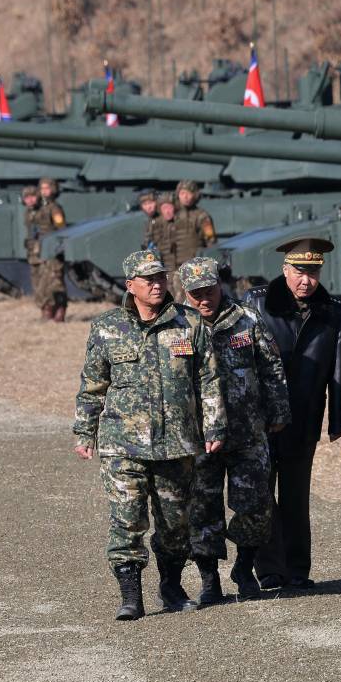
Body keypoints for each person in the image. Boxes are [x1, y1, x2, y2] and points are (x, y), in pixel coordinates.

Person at [72, 250, 226, 620]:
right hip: (122, 445)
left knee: (175, 524)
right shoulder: (107, 327)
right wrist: (84, 431)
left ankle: (171, 586)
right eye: (149, 279)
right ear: (131, 285)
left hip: (176, 443)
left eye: (160, 277)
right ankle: (130, 596)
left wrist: (214, 425)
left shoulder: (189, 322)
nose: (157, 284)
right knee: (127, 520)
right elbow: (93, 384)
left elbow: (208, 379)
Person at [179, 257, 291, 605]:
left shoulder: (247, 318)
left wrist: (278, 409)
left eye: (209, 290)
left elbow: (271, 367)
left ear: (220, 285)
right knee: (202, 508)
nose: (204, 299)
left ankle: (244, 568)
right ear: (185, 291)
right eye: (196, 293)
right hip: (199, 436)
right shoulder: (178, 325)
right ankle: (209, 579)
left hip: (247, 431)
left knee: (255, 503)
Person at [244, 237, 341, 590]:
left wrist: (338, 421)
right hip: (260, 419)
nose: (306, 280)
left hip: (304, 417)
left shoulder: (332, 311)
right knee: (262, 494)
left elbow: (340, 370)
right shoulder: (257, 303)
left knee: (296, 495)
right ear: (285, 269)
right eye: (300, 272)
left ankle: (297, 569)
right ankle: (269, 569)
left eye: (313, 273)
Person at [27, 178, 69, 322]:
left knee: (55, 281)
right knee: (40, 282)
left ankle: (59, 310)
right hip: (38, 249)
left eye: (47, 188)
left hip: (51, 249)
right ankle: (46, 309)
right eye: (42, 188)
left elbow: (61, 226)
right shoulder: (35, 209)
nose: (44, 192)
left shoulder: (55, 208)